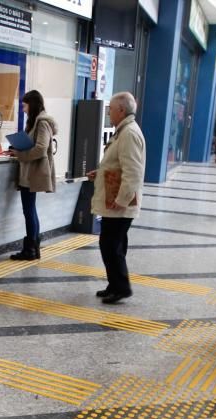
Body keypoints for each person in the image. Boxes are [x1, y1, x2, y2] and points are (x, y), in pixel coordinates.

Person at [87, 91, 145, 305]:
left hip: (120, 203)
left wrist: (121, 201)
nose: (109, 113)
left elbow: (133, 172)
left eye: (111, 109)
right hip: (117, 200)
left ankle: (121, 287)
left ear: (121, 110)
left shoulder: (129, 133)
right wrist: (100, 172)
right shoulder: (123, 131)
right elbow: (119, 165)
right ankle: (115, 284)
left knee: (110, 244)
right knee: (114, 244)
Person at [4, 90, 57, 260]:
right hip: (29, 172)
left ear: (32, 105)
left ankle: (31, 249)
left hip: (33, 173)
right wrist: (17, 149)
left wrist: (20, 155)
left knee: (29, 210)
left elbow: (40, 148)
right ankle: (33, 248)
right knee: (30, 210)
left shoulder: (42, 123)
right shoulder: (35, 122)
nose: (23, 109)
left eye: (24, 105)